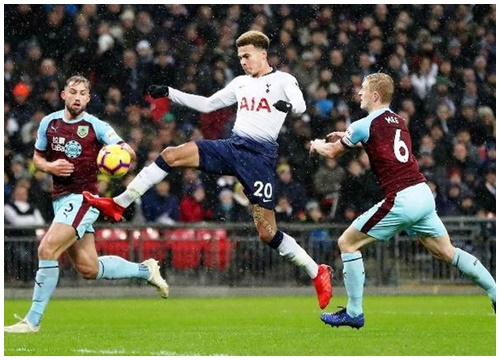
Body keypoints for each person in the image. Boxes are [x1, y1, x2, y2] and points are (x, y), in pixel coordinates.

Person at [83, 30, 332, 309]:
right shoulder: (240, 83)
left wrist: (287, 105)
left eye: (247, 56)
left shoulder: (284, 80)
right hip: (232, 147)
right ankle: (119, 203)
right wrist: (169, 93)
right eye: (239, 57)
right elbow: (207, 104)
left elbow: (299, 105)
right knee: (171, 154)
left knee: (266, 233)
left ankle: (317, 271)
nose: (243, 62)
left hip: (258, 160)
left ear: (264, 53)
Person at [309, 72, 496, 329]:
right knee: (446, 251)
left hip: (402, 198)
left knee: (347, 243)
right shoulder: (399, 121)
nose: (359, 93)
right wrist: (347, 134)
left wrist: (316, 143)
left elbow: (332, 152)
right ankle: (495, 292)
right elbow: (383, 145)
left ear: (375, 94)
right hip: (422, 193)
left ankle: (353, 313)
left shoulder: (363, 124)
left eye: (363, 89)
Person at [4, 75, 168, 334]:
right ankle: (144, 270)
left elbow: (129, 152)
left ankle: (32, 321)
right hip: (60, 199)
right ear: (64, 95)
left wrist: (120, 155)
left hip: (84, 199)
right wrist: (50, 166)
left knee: (47, 249)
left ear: (89, 98)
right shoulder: (49, 123)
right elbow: (37, 157)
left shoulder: (96, 126)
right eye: (73, 92)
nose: (78, 96)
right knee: (89, 268)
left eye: (83, 93)